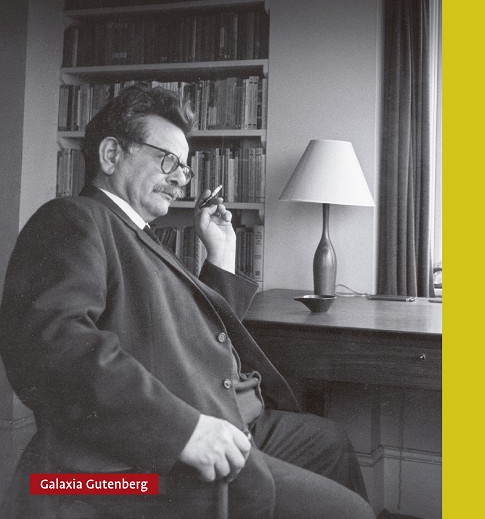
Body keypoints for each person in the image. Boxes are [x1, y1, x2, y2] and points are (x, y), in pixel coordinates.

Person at [0, 85, 375, 519]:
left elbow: (191, 332)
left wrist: (220, 255)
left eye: (185, 167)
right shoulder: (74, 218)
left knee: (330, 443)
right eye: (168, 160)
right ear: (111, 154)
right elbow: (52, 345)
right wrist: (185, 431)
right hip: (154, 449)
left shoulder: (137, 234)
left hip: (230, 414)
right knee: (350, 513)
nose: (182, 178)